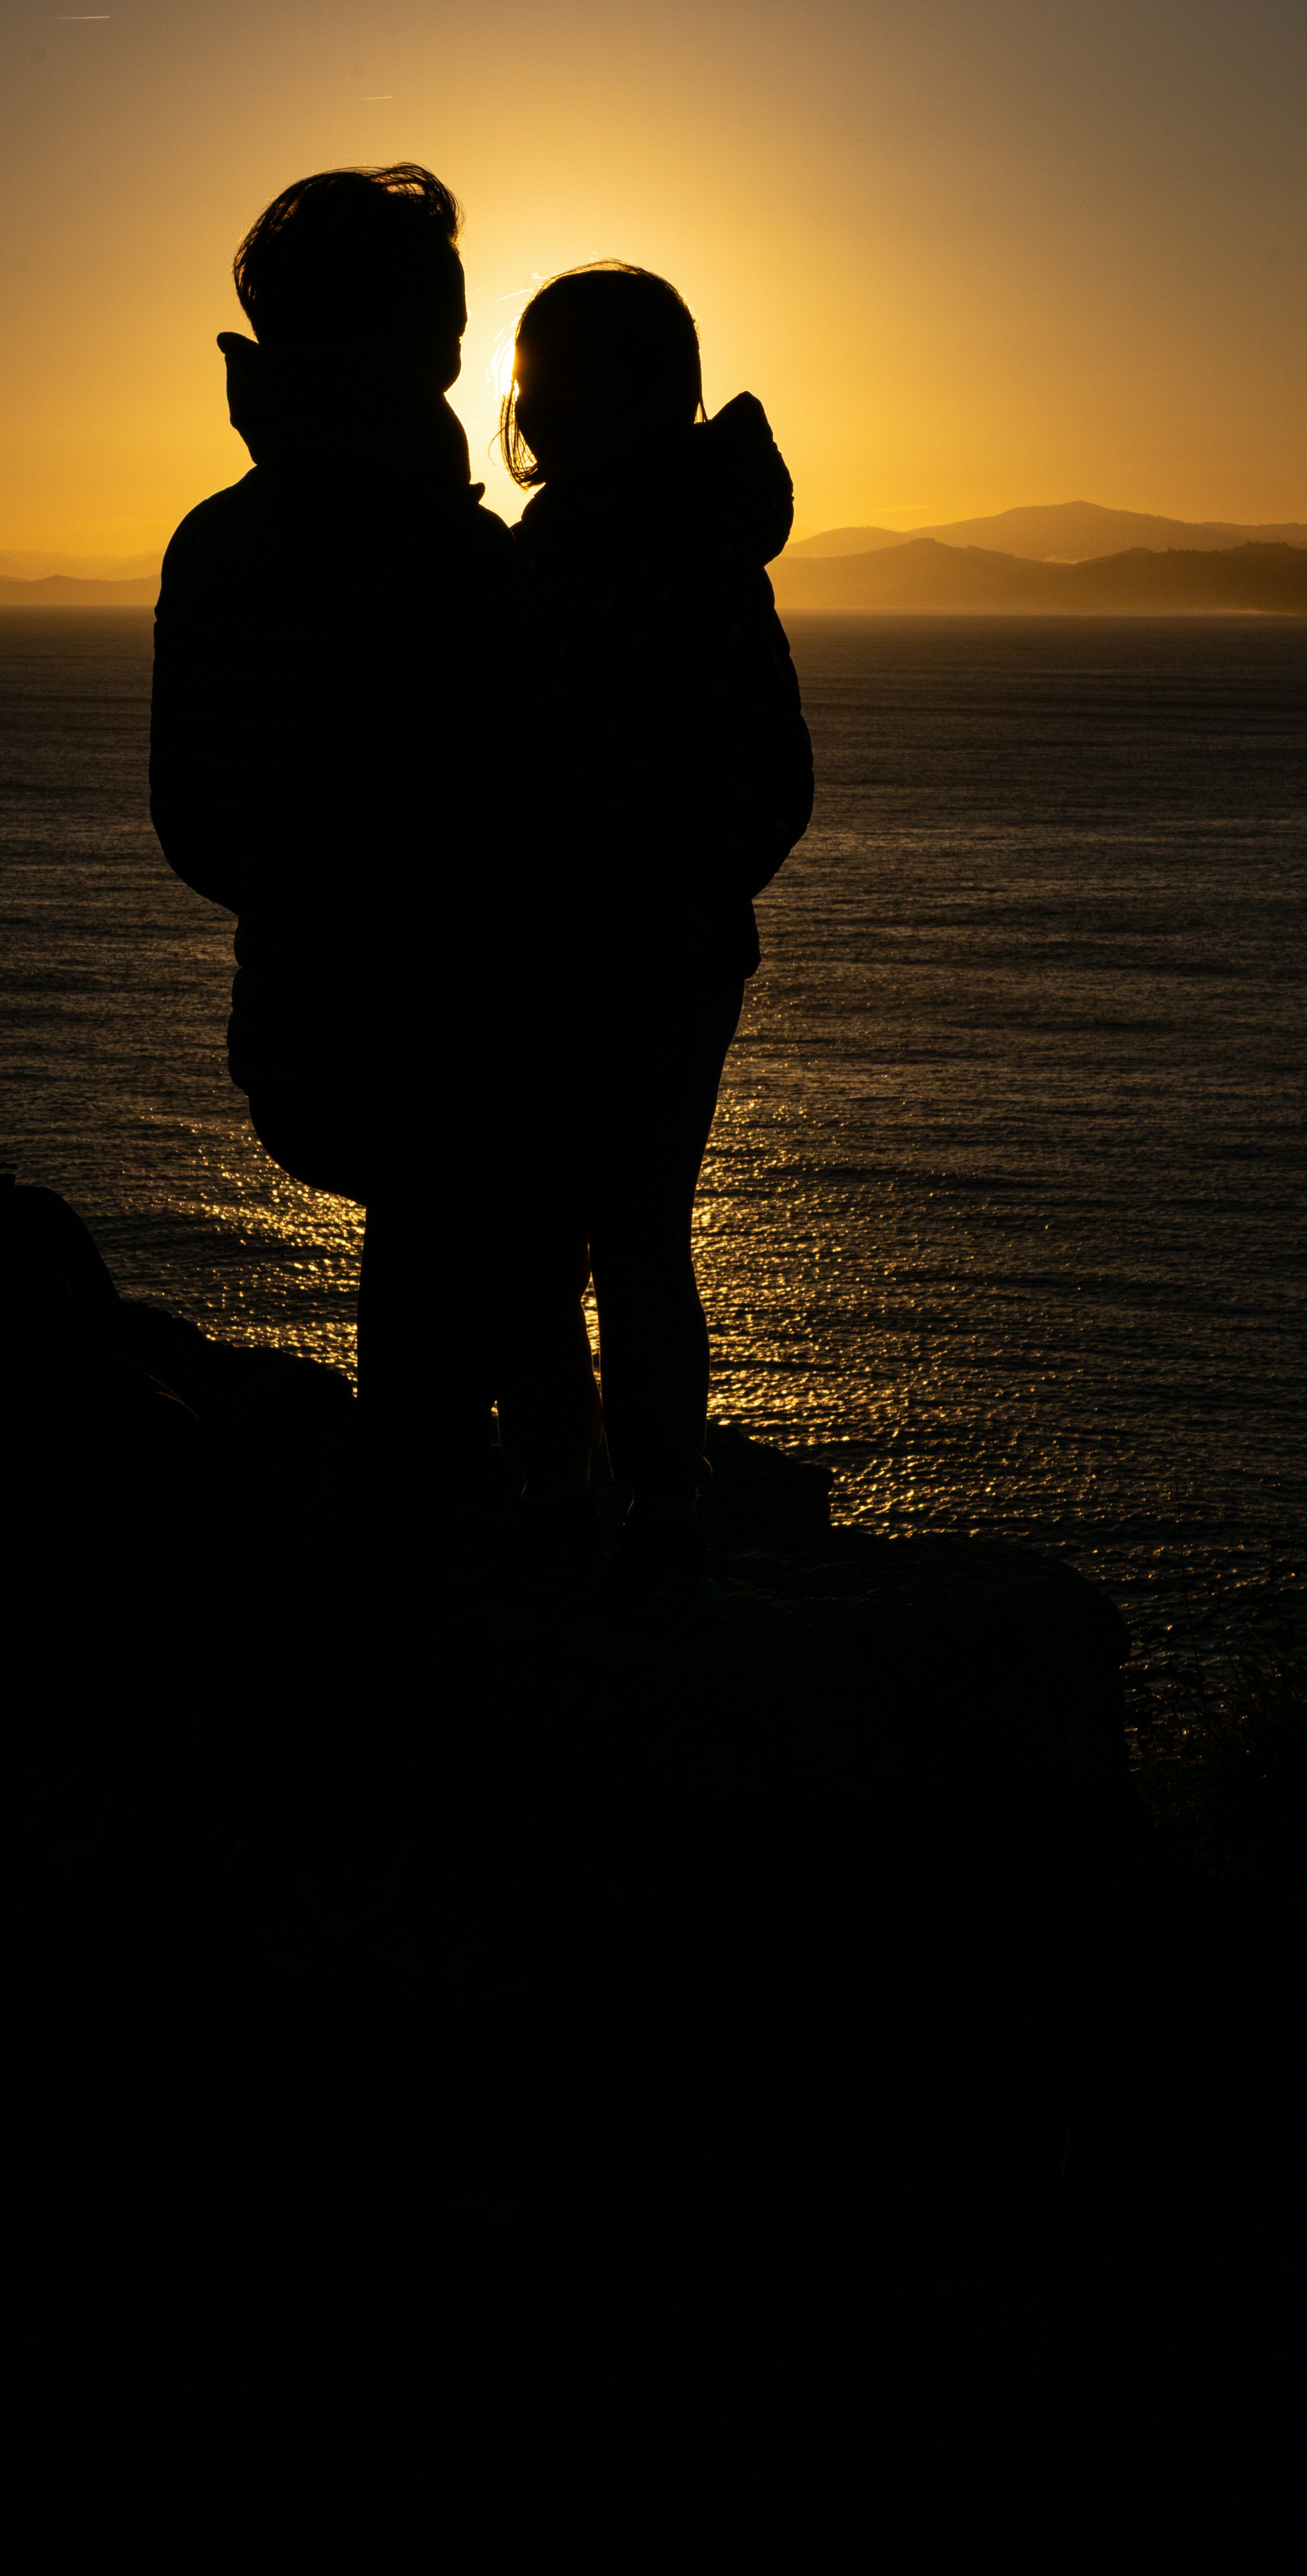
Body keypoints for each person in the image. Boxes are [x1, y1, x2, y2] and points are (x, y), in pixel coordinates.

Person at [149, 163, 547, 1497]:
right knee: (479, 1233)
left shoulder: (219, 544)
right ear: (403, 336)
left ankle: (433, 1525)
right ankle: (460, 1553)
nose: (454, 340)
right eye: (439, 311)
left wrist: (318, 899)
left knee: (447, 1243)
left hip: (306, 1022)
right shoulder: (470, 564)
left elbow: (197, 824)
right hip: (443, 1029)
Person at [502, 263, 813, 1638]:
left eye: (572, 369)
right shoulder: (565, 542)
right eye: (532, 364)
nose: (539, 396)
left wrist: (657, 886)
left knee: (611, 1237)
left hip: (651, 952)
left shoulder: (676, 552)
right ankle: (586, 1507)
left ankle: (637, 1518)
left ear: (650, 387)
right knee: (570, 1240)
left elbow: (770, 778)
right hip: (596, 945)